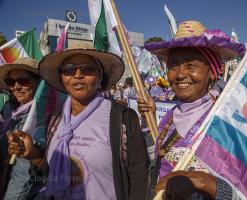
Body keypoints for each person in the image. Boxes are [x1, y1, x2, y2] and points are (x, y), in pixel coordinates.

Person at [11, 44, 149, 200]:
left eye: (87, 69)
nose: (77, 75)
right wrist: (33, 154)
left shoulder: (122, 117)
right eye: (69, 69)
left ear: (100, 76)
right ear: (62, 77)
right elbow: (53, 170)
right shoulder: (56, 118)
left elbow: (139, 176)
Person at [137, 21, 246, 199]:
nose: (179, 74)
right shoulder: (170, 117)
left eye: (190, 65)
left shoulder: (227, 121)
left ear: (212, 71)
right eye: (173, 65)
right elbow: (156, 161)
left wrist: (209, 184)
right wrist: (148, 122)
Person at [0, 57, 45, 200]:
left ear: (38, 81)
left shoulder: (39, 116)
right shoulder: (11, 108)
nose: (16, 86)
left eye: (23, 80)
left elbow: (25, 174)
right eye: (11, 82)